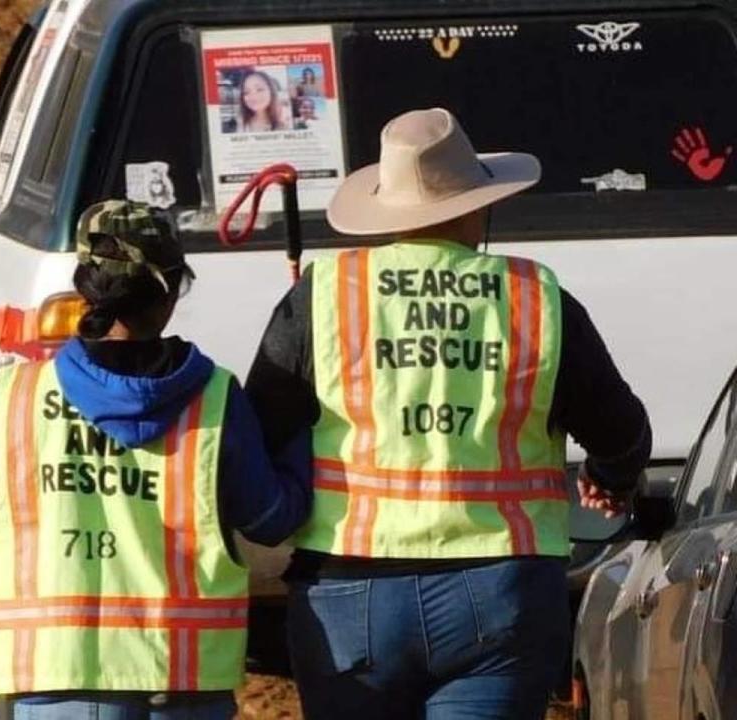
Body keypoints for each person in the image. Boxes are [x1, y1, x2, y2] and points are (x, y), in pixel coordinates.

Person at [245, 108, 651, 720]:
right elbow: (620, 433)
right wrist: (610, 482)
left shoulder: (324, 295)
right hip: (500, 593)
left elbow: (260, 435)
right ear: (477, 205)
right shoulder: (535, 297)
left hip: (350, 597)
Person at [0, 200, 311, 719]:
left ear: (86, 289)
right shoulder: (214, 398)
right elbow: (272, 517)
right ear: (171, 294)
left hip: (60, 678)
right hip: (183, 679)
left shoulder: (20, 396)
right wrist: (305, 429)